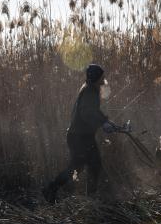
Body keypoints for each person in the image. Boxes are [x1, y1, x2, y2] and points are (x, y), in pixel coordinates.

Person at [42, 64, 119, 203]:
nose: (104, 79)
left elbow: (93, 111)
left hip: (81, 136)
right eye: (102, 77)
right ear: (96, 78)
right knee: (89, 165)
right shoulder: (90, 91)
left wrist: (106, 121)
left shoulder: (90, 89)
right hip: (80, 137)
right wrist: (102, 124)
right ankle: (87, 197)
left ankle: (56, 189)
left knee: (85, 166)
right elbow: (86, 113)